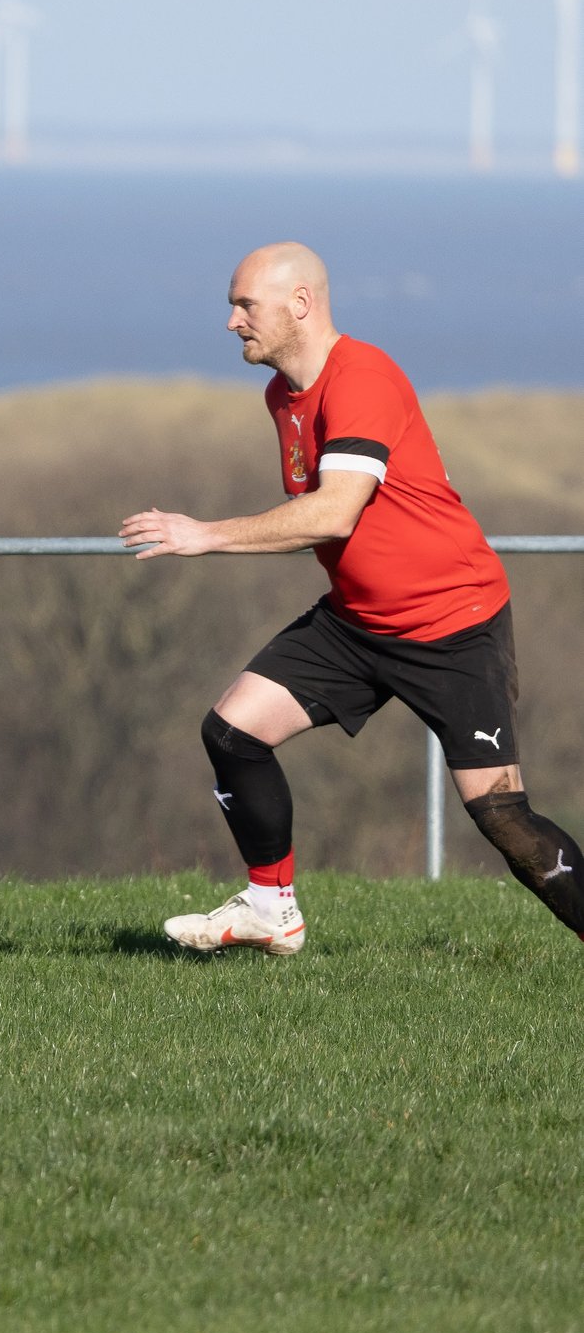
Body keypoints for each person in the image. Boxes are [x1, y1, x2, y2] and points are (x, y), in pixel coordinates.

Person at [123, 241, 584, 954]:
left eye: (245, 305)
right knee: (232, 733)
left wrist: (205, 534)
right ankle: (272, 909)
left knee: (502, 817)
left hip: (452, 624)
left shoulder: (363, 377)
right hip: (358, 623)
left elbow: (335, 512)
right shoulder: (282, 396)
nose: (232, 322)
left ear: (299, 304)